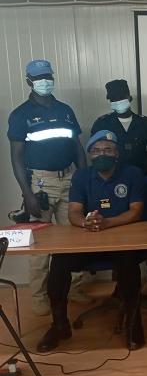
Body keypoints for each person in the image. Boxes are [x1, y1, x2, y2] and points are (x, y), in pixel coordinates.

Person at [36, 130, 146, 352]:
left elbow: (136, 211)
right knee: (59, 262)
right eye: (96, 150)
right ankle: (59, 325)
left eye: (108, 150)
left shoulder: (132, 173)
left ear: (117, 153)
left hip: (122, 240)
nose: (101, 154)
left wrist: (108, 223)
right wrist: (86, 222)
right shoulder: (81, 176)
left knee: (128, 263)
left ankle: (134, 323)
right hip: (90, 240)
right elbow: (74, 212)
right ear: (90, 154)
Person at [7, 59, 90, 316]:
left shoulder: (65, 110)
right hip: (41, 183)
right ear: (29, 81)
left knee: (74, 237)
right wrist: (27, 194)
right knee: (40, 245)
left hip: (69, 178)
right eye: (39, 78)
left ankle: (75, 288)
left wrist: (84, 180)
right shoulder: (20, 114)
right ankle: (39, 296)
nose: (45, 81)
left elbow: (77, 147)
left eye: (48, 77)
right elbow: (16, 157)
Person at [91, 79, 147, 297]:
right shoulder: (102, 124)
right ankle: (121, 283)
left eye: (121, 98)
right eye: (113, 99)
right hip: (114, 185)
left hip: (143, 182)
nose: (118, 102)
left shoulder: (146, 123)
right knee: (118, 229)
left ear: (130, 98)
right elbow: (96, 155)